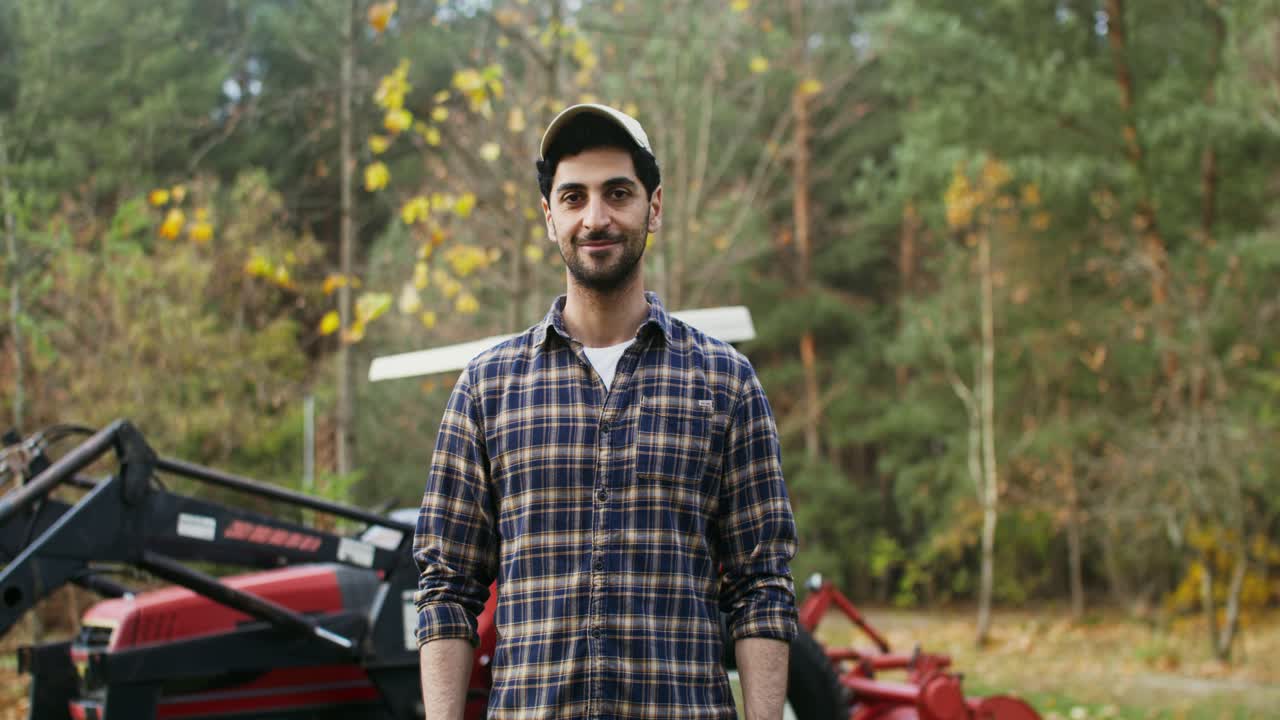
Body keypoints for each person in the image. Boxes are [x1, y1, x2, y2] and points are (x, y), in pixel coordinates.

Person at [413, 103, 798, 720]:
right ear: (549, 217)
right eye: (574, 197)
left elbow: (761, 588)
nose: (596, 218)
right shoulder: (488, 388)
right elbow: (447, 588)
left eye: (617, 193)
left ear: (655, 207)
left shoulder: (726, 383)